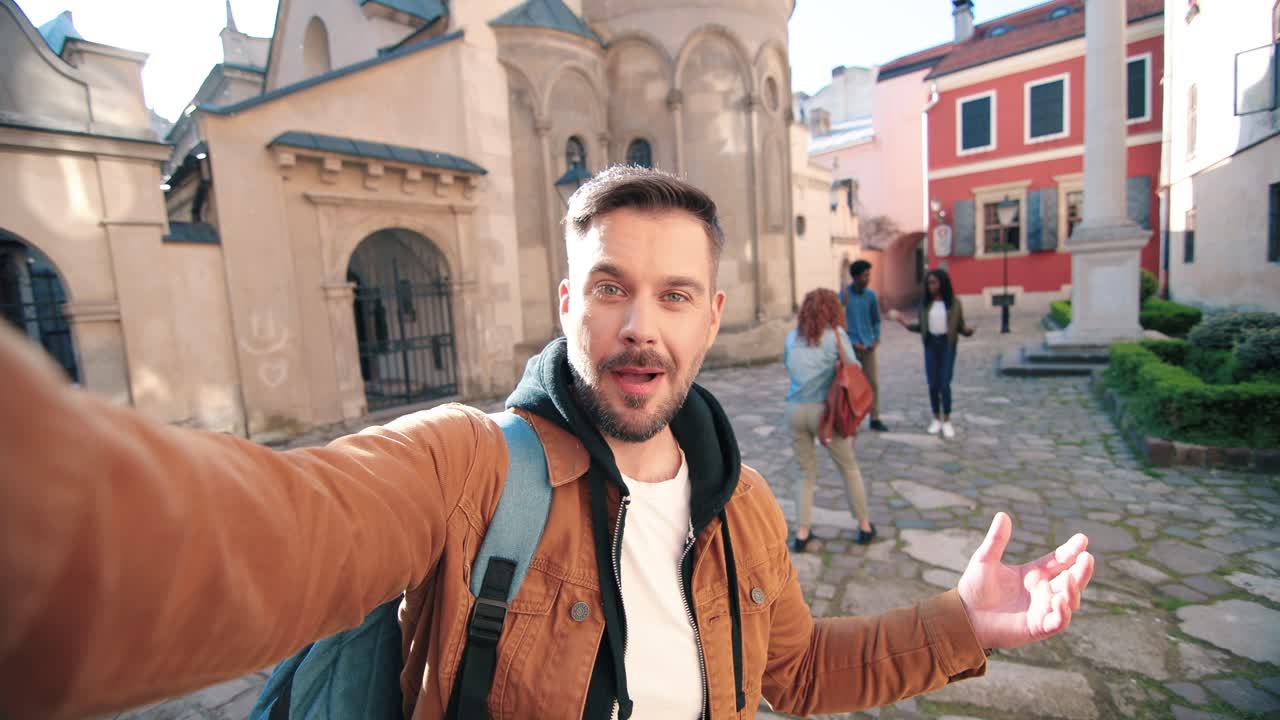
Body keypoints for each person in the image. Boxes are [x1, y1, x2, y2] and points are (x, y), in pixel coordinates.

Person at [0, 167, 1093, 720]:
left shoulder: (740, 506)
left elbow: (794, 671)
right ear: (567, 301)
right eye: (611, 289)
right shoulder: (469, 469)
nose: (638, 327)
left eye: (673, 296)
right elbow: (261, 536)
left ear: (710, 317)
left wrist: (960, 621)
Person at [783, 288, 875, 551]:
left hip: (795, 410)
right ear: (832, 309)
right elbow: (853, 368)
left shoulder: (792, 337)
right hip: (826, 413)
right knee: (849, 468)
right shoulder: (835, 337)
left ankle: (802, 532)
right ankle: (864, 526)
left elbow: (788, 365)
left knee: (804, 473)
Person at [889, 268, 975, 440]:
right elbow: (920, 327)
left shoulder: (955, 303)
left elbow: (960, 326)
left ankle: (947, 420)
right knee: (933, 384)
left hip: (947, 346)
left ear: (942, 283)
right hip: (930, 345)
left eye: (934, 282)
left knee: (945, 383)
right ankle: (936, 418)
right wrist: (903, 322)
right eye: (928, 283)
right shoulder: (925, 304)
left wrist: (968, 331)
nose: (930, 286)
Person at [839, 259, 889, 431]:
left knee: (873, 382)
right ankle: (850, 419)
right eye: (865, 275)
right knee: (850, 385)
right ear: (855, 277)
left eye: (869, 275)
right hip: (850, 348)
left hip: (868, 346)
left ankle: (875, 418)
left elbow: (876, 320)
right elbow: (838, 323)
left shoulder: (871, 296)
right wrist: (851, 343)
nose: (868, 278)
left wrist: (876, 338)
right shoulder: (844, 296)